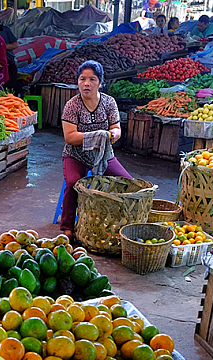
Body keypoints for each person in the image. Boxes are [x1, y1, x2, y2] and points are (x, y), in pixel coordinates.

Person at [58, 60, 132, 237]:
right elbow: (69, 137)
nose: (86, 83)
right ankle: (67, 227)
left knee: (128, 183)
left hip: (103, 155)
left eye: (92, 79)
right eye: (82, 79)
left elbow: (116, 128)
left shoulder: (108, 102)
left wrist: (112, 134)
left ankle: (121, 223)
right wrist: (97, 135)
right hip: (75, 155)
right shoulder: (72, 105)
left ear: (100, 82)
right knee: (73, 183)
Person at [0, 17, 21, 92]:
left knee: (10, 91)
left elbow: (15, 45)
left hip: (9, 65)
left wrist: (1, 46)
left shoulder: (5, 30)